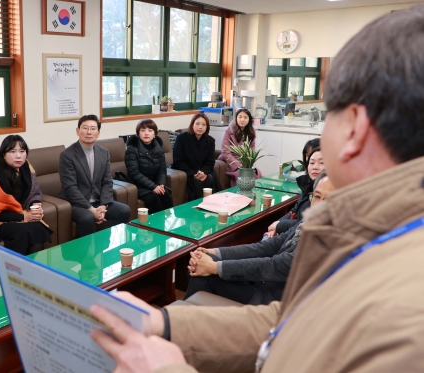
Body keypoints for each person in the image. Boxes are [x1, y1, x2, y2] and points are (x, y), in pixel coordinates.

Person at [88, 6, 424, 372]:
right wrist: (166, 323)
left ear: (354, 128)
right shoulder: (371, 222)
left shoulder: (405, 308)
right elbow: (294, 323)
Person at [184, 173, 334, 305]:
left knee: (203, 273)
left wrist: (214, 267)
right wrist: (214, 252)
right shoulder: (307, 223)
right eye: (317, 196)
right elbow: (265, 248)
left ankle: (176, 326)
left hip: (272, 303)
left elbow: (273, 266)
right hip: (264, 285)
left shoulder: (326, 240)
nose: (319, 205)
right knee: (202, 262)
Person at [0, 135, 52, 255]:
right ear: (4, 155)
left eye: (22, 151)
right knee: (22, 232)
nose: (18, 156)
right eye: (12, 151)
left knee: (37, 227)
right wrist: (22, 218)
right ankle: (15, 271)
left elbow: (35, 192)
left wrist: (35, 205)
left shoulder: (26, 168)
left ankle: (33, 270)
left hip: (16, 214)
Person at [59, 114, 131, 238]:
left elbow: (107, 181)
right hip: (76, 203)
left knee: (124, 210)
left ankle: (103, 240)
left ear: (98, 133)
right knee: (87, 218)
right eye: (85, 128)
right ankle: (86, 256)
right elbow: (71, 188)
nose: (89, 132)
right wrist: (92, 210)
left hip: (98, 201)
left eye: (93, 129)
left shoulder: (103, 152)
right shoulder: (67, 155)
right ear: (78, 131)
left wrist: (103, 206)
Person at [267, 147, 324, 238]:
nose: (315, 167)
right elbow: (294, 211)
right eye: (312, 163)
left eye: (321, 163)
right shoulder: (307, 185)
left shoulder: (330, 193)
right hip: (292, 234)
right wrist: (276, 224)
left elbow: (308, 224)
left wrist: (279, 225)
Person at [125, 119, 173, 214]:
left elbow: (162, 170)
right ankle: (153, 226)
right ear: (138, 133)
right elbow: (134, 173)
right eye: (143, 130)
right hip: (137, 185)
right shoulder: (132, 149)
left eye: (150, 130)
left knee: (166, 194)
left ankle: (167, 223)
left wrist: (160, 184)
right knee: (153, 197)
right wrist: (153, 187)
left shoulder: (159, 148)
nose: (146, 133)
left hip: (154, 183)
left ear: (154, 134)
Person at [172, 113, 222, 201]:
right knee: (198, 182)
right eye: (197, 124)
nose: (200, 127)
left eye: (203, 124)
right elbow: (178, 161)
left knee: (210, 179)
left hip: (204, 172)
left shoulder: (210, 141)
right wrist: (194, 174)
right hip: (188, 172)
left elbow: (210, 162)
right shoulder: (181, 138)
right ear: (192, 125)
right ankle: (199, 207)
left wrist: (203, 172)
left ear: (207, 127)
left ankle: (212, 205)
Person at [219, 108, 262, 186]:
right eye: (240, 117)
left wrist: (248, 164)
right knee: (241, 175)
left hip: (245, 163)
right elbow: (225, 151)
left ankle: (252, 195)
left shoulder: (251, 132)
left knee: (256, 172)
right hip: (230, 163)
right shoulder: (229, 131)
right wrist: (238, 165)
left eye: (245, 117)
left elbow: (252, 150)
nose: (242, 120)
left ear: (249, 119)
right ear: (236, 118)